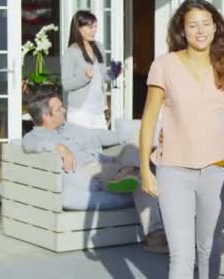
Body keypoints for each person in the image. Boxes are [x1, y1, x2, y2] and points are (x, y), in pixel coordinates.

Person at [139, 0, 224, 279]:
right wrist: (146, 169)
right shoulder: (165, 65)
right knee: (181, 253)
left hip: (217, 169)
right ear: (183, 29)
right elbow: (148, 120)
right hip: (173, 171)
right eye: (193, 25)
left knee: (209, 248)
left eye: (206, 23)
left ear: (216, 26)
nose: (200, 30)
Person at [21, 91, 166, 252]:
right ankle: (155, 235)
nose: (64, 110)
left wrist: (126, 138)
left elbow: (98, 135)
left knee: (138, 139)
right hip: (94, 171)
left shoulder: (71, 128)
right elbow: (28, 144)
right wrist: (58, 147)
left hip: (111, 163)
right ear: (45, 117)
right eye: (59, 108)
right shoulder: (36, 136)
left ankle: (131, 172)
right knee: (143, 179)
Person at [61, 10, 118, 129]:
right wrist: (85, 77)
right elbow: (66, 84)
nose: (94, 30)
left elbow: (102, 76)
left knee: (101, 146)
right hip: (80, 112)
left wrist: (113, 73)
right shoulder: (71, 52)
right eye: (90, 27)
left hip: (99, 111)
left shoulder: (99, 47)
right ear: (78, 28)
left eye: (95, 27)